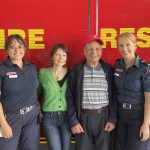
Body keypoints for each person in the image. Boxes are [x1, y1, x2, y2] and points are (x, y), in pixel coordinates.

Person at [67, 34, 117, 150]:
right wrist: (73, 121)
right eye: (90, 49)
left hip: (104, 118)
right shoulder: (76, 71)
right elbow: (69, 97)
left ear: (101, 51)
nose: (94, 52)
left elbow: (114, 96)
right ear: (84, 52)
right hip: (83, 118)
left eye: (97, 49)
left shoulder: (108, 70)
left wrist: (112, 119)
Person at [0, 34, 40, 150]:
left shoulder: (32, 67)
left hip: (32, 117)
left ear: (25, 49)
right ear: (7, 50)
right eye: (12, 47)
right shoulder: (2, 69)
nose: (17, 50)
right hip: (10, 118)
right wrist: (3, 124)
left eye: (20, 46)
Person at [114, 32, 150, 150]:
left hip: (137, 117)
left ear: (135, 46)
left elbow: (149, 100)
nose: (124, 49)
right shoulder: (117, 66)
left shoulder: (145, 69)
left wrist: (146, 124)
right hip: (121, 117)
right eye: (121, 45)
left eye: (128, 45)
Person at [38, 43, 71, 150]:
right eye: (58, 54)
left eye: (64, 55)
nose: (61, 58)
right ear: (52, 57)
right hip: (49, 119)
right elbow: (34, 94)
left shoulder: (72, 73)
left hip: (67, 117)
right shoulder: (43, 73)